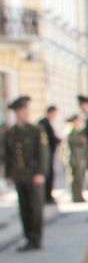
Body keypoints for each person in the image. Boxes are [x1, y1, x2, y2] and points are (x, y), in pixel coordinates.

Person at [3, 95, 46, 250]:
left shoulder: (36, 130)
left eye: (26, 110)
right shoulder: (10, 132)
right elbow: (8, 155)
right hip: (19, 175)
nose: (24, 113)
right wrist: (8, 174)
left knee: (35, 208)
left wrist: (40, 172)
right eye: (21, 111)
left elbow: (42, 153)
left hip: (33, 175)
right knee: (24, 208)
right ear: (16, 113)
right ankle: (28, 237)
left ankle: (36, 239)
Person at [63, 109, 88, 205]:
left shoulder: (76, 131)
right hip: (73, 159)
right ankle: (75, 196)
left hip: (78, 158)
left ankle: (79, 196)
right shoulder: (70, 131)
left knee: (79, 178)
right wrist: (75, 160)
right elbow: (71, 148)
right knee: (74, 179)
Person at [37, 103, 60, 205]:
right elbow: (46, 139)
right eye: (54, 113)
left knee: (50, 175)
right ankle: (47, 196)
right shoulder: (43, 123)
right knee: (48, 175)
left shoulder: (47, 122)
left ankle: (48, 195)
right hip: (46, 153)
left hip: (50, 152)